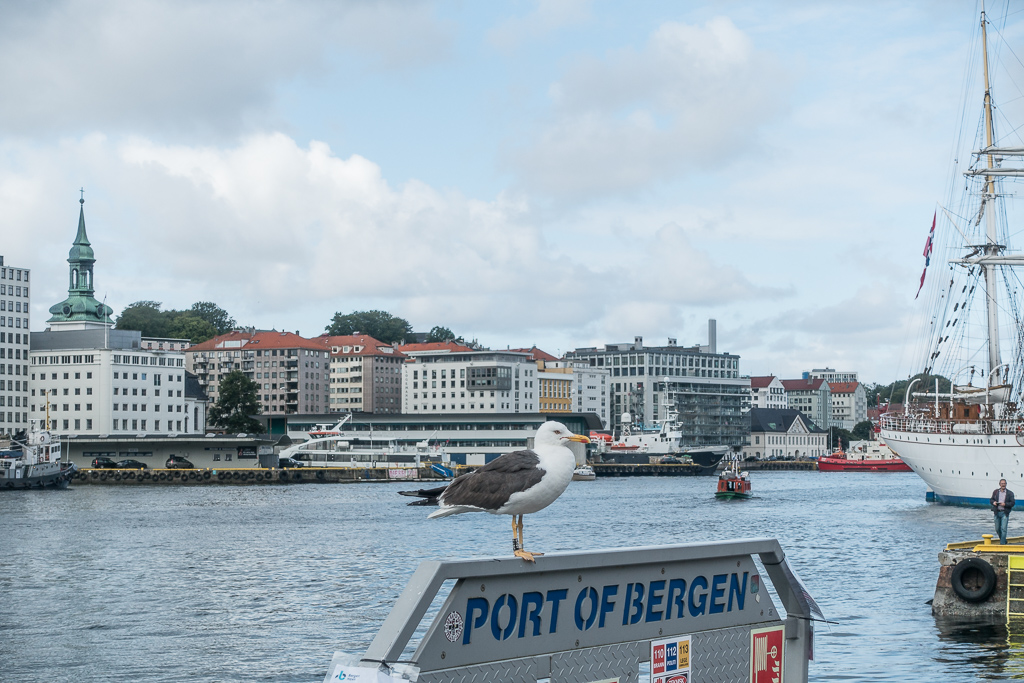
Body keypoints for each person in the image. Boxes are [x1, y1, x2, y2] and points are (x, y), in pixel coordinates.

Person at [991, 479, 1016, 544]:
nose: (1003, 485)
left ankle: (1002, 544)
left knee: (1004, 529)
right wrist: (993, 502)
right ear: (999, 484)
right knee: (997, 529)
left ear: (1006, 484)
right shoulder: (996, 492)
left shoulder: (1010, 493)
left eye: (1004, 483)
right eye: (1002, 483)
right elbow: (991, 499)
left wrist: (1005, 504)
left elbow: (1012, 503)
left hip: (1005, 512)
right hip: (997, 512)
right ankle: (1003, 540)